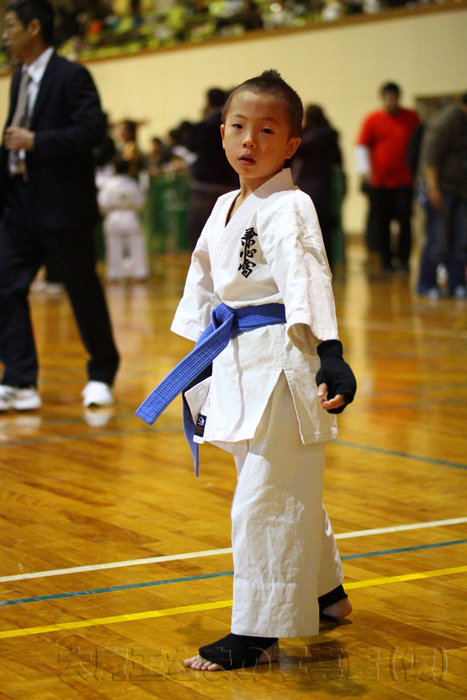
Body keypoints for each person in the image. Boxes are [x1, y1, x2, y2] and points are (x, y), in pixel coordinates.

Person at [136, 70, 356, 671]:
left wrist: (331, 351)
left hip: (284, 360)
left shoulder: (291, 204)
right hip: (236, 358)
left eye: (267, 130)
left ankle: (258, 631)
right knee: (277, 482)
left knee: (264, 497)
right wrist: (196, 360)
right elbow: (204, 284)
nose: (249, 141)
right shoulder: (225, 206)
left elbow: (307, 275)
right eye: (238, 127)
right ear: (223, 133)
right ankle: (326, 591)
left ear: (291, 145)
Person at [0, 0, 119, 412]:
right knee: (5, 284)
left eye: (10, 26)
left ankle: (101, 373)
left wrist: (37, 141)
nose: (4, 35)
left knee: (81, 288)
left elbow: (93, 130)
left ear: (34, 28)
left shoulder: (71, 75)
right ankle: (19, 380)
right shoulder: (18, 77)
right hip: (20, 202)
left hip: (63, 204)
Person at [356, 82, 420, 272]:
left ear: (398, 98)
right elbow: (361, 147)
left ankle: (404, 260)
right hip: (380, 182)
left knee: (405, 221)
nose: (390, 100)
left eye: (393, 97)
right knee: (382, 223)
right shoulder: (373, 119)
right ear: (382, 98)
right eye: (387, 97)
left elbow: (419, 144)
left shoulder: (411, 118)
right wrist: (365, 171)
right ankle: (386, 261)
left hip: (404, 181)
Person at [416, 94, 467, 299]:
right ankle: (426, 284)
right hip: (441, 188)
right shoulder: (449, 119)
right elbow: (430, 154)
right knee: (438, 239)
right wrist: (432, 188)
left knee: (461, 240)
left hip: (460, 191)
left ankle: (457, 284)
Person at [185, 86, 238, 250]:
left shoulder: (204, 124)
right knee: (226, 223)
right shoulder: (232, 124)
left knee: (201, 225)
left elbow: (191, 145)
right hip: (226, 181)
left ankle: (201, 256)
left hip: (204, 182)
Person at [292, 104, 344, 270]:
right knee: (326, 228)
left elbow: (293, 153)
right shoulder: (330, 136)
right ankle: (328, 262)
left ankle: (310, 262)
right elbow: (338, 162)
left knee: (308, 227)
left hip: (309, 186)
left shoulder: (308, 138)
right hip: (327, 186)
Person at [98, 158, 149, 282]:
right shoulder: (132, 184)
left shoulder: (108, 185)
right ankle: (139, 273)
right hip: (130, 215)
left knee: (114, 246)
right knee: (135, 246)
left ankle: (115, 274)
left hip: (113, 215)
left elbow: (102, 203)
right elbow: (140, 202)